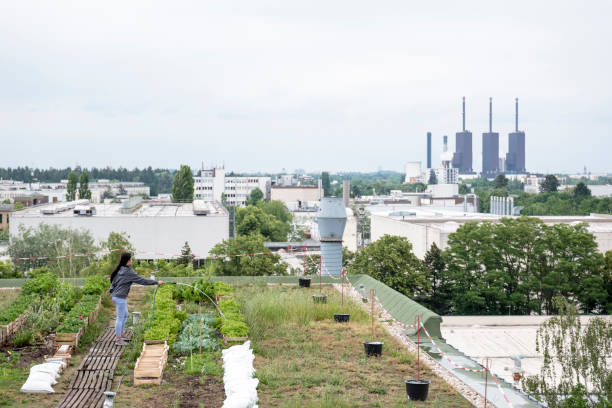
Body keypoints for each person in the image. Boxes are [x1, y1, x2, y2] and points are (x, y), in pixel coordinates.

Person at [109, 252, 164, 345]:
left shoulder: (120, 269)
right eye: (131, 259)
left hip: (116, 296)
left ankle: (121, 334)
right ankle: (118, 340)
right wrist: (156, 282)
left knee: (125, 315)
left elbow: (112, 282)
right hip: (120, 298)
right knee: (120, 317)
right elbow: (142, 280)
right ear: (127, 261)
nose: (132, 261)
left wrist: (112, 293)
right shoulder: (128, 272)